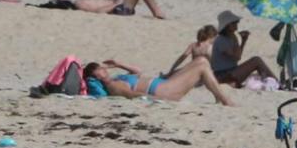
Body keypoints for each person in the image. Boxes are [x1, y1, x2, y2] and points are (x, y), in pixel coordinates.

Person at [81, 56, 234, 106]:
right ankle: (225, 101)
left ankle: (218, 98)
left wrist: (118, 64)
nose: (104, 70)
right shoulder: (113, 85)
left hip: (165, 84)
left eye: (103, 68)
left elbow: (137, 72)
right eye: (99, 70)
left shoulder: (116, 77)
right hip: (165, 91)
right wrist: (161, 100)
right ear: (95, 77)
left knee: (202, 60)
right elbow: (133, 95)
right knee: (201, 66)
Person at [207, 11, 277, 85]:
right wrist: (239, 41)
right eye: (234, 23)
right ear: (227, 25)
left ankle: (274, 82)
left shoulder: (232, 37)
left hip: (231, 71)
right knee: (256, 60)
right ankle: (277, 83)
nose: (236, 25)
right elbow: (235, 57)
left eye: (236, 22)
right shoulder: (221, 40)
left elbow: (238, 57)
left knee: (256, 64)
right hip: (222, 75)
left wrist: (243, 41)